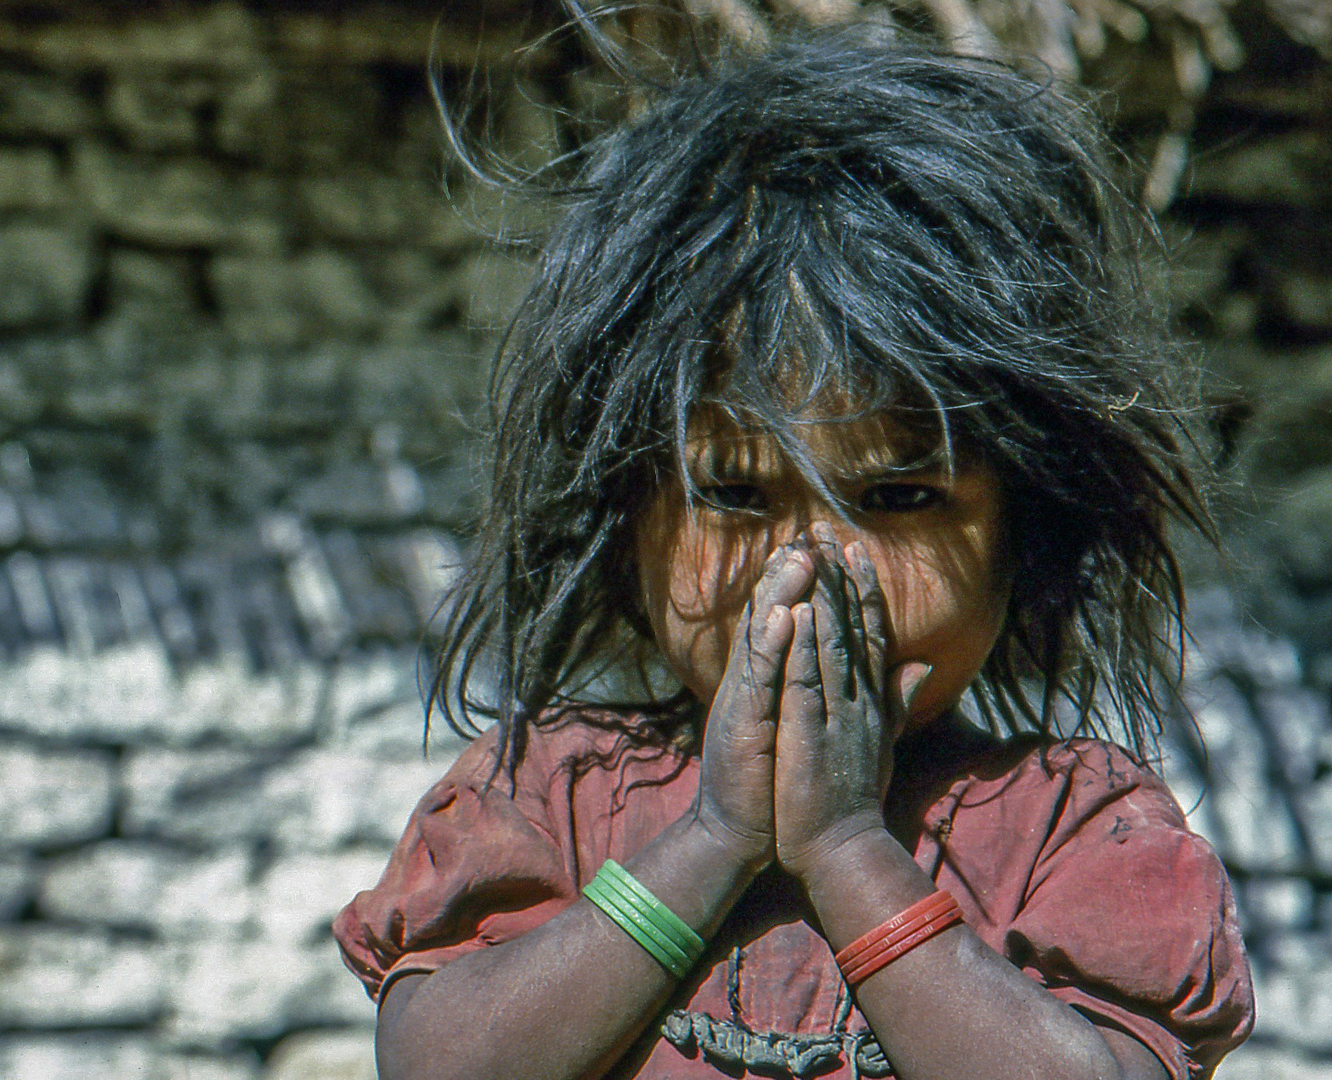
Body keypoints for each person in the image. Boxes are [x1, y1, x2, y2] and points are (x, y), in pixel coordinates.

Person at [334, 25, 1254, 1080]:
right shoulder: (553, 793)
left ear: (1028, 538)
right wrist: (714, 837)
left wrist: (849, 852)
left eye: (899, 495)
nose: (808, 564)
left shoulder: (1079, 828)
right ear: (622, 520)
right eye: (732, 491)